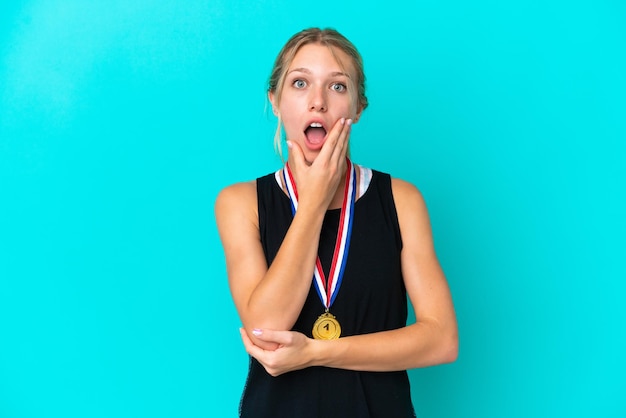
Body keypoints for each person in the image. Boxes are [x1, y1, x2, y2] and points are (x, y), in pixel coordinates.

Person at [215, 27, 458, 418]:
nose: (318, 103)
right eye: (299, 83)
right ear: (274, 101)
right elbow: (265, 327)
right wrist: (312, 201)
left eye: (338, 87)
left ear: (358, 107)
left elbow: (442, 339)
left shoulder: (401, 200)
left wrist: (315, 352)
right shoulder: (241, 203)